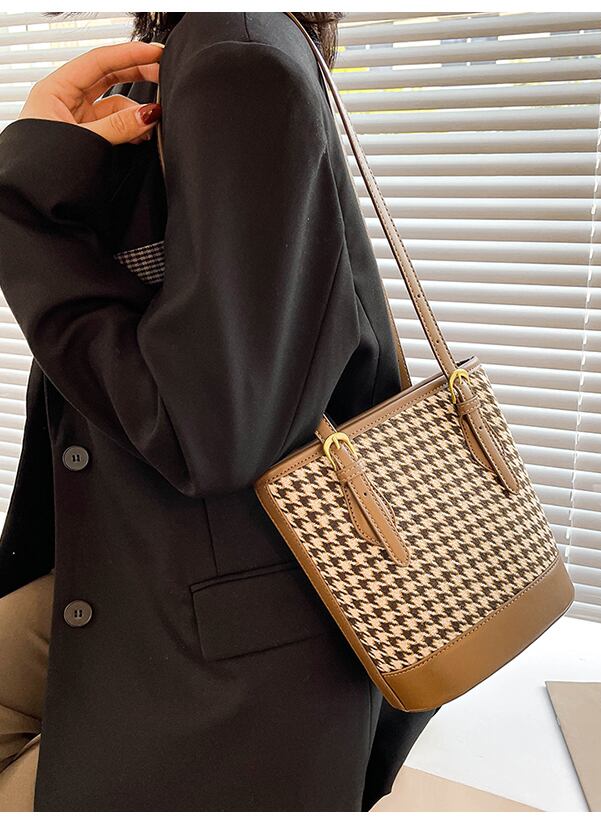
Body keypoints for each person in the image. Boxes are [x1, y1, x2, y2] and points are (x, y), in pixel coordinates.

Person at [0, 11, 437, 812]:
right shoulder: (214, 45)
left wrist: (25, 195)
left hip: (230, 660)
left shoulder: (236, 57)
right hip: (168, 579)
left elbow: (207, 429)